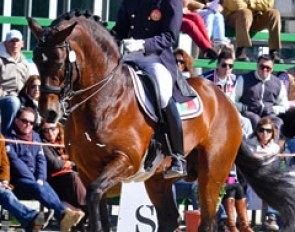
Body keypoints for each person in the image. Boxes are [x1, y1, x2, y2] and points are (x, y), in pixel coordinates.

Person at [111, 0, 187, 178]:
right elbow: (120, 29)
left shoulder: (170, 1)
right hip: (130, 55)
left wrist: (143, 45)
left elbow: (170, 36)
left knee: (162, 95)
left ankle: (177, 155)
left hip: (156, 58)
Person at [4, 107, 85, 231]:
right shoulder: (9, 137)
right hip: (19, 181)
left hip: (36, 180)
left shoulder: (36, 137)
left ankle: (63, 216)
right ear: (16, 120)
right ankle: (64, 214)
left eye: (31, 123)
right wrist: (34, 180)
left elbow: (41, 160)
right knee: (40, 186)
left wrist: (40, 178)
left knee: (44, 184)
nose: (28, 125)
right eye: (24, 121)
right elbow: (15, 162)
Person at [201, 50, 253, 138]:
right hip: (211, 113)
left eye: (230, 66)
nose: (227, 68)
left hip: (229, 112)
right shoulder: (205, 79)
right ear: (217, 65)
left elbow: (232, 101)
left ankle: (247, 148)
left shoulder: (234, 79)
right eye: (224, 65)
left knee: (246, 123)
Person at [0, 133, 45, 232]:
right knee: (4, 194)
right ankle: (30, 218)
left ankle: (28, 222)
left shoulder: (0, 138)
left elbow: (4, 164)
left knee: (6, 191)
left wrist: (4, 181)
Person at [235, 54, 289, 132]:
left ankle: (273, 144)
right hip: (249, 113)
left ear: (272, 69)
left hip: (269, 114)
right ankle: (254, 144)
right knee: (255, 120)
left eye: (268, 68)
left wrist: (273, 109)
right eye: (262, 67)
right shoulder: (243, 79)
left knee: (278, 122)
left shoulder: (278, 83)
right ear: (257, 66)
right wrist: (244, 107)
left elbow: (284, 105)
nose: (265, 70)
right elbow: (232, 100)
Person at [40, 121, 86, 211]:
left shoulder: (66, 142)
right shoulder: (43, 144)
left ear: (58, 129)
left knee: (83, 177)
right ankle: (86, 208)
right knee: (73, 176)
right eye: (46, 130)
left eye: (52, 129)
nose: (50, 133)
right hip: (54, 179)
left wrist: (61, 158)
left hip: (68, 179)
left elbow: (77, 159)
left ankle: (81, 209)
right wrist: (67, 161)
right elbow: (54, 164)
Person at [246, 117, 281, 231]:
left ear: (272, 132)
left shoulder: (275, 148)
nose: (265, 133)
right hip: (253, 176)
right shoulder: (249, 146)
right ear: (257, 131)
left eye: (268, 131)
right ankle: (254, 221)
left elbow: (278, 166)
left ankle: (271, 216)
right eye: (261, 130)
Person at [0, 30, 31, 134]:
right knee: (13, 102)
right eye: (11, 41)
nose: (15, 44)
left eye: (17, 41)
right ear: (5, 43)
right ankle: (5, 136)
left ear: (22, 43)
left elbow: (28, 83)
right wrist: (9, 95)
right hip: (4, 98)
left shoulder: (25, 62)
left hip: (20, 97)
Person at [222, 165, 253, 232]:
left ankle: (244, 225)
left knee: (238, 188)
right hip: (220, 180)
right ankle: (231, 226)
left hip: (231, 179)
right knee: (231, 188)